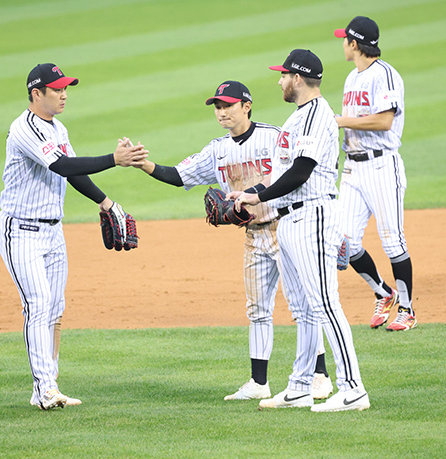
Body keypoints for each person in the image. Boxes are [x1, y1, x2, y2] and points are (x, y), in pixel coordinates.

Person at [133, 80, 334, 402]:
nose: (222, 112)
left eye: (228, 105)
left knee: (302, 306)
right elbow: (179, 176)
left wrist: (254, 194)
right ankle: (259, 382)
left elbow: (293, 173)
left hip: (284, 228)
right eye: (217, 106)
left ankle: (319, 376)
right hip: (253, 236)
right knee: (257, 309)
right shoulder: (218, 149)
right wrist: (145, 165)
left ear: (247, 105)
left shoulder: (274, 137)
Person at [0, 63, 148, 410]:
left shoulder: (57, 127)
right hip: (20, 230)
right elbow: (61, 167)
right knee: (38, 305)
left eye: (66, 88)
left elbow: (73, 170)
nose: (64, 94)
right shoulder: (25, 129)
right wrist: (114, 159)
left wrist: (106, 202)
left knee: (55, 310)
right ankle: (46, 389)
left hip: (52, 231)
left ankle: (47, 387)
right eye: (57, 89)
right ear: (37, 94)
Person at [230, 50, 370, 412]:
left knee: (324, 302)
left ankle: (353, 388)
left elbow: (301, 171)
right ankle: (300, 386)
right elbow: (282, 175)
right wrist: (250, 198)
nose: (279, 81)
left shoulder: (315, 115)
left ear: (298, 78)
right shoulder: (298, 117)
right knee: (306, 308)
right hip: (289, 219)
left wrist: (256, 193)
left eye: (283, 75)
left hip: (313, 216)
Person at [334, 16, 416, 331]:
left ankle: (407, 310)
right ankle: (383, 292)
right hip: (353, 168)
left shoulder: (385, 75)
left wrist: (340, 121)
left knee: (392, 241)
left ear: (354, 44)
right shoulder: (351, 78)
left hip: (382, 166)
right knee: (344, 242)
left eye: (345, 39)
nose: (343, 44)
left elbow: (384, 121)